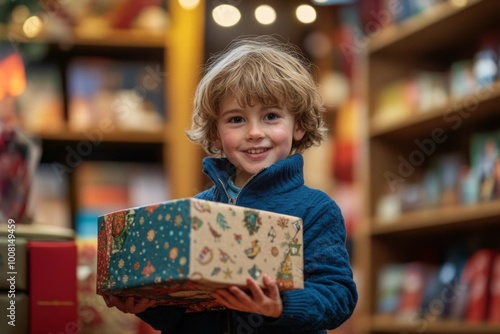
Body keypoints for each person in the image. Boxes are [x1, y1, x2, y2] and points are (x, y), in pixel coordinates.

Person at [103, 35, 358, 333]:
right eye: (236, 119)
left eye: (271, 116)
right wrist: (149, 305)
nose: (254, 132)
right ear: (214, 134)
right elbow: (183, 310)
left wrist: (280, 306)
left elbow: (338, 295)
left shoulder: (316, 209)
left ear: (299, 125)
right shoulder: (198, 210)